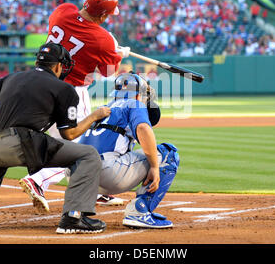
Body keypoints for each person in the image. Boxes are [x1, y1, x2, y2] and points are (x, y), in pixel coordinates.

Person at [0, 42, 110, 234]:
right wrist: (94, 116)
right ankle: (73, 217)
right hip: (22, 144)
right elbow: (69, 134)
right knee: (88, 155)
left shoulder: (15, 77)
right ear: (57, 66)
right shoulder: (65, 89)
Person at [19, 0, 129, 209]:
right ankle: (38, 180)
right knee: (79, 146)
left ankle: (92, 190)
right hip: (72, 92)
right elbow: (108, 72)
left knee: (63, 143)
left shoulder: (62, 11)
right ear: (103, 15)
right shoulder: (103, 39)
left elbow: (77, 30)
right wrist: (118, 54)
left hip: (39, 84)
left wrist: (109, 46)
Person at [49, 72, 179, 228]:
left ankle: (78, 213)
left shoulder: (105, 108)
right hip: (107, 173)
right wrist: (154, 166)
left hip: (76, 176)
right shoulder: (134, 103)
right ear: (138, 94)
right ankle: (140, 212)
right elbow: (144, 128)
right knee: (168, 153)